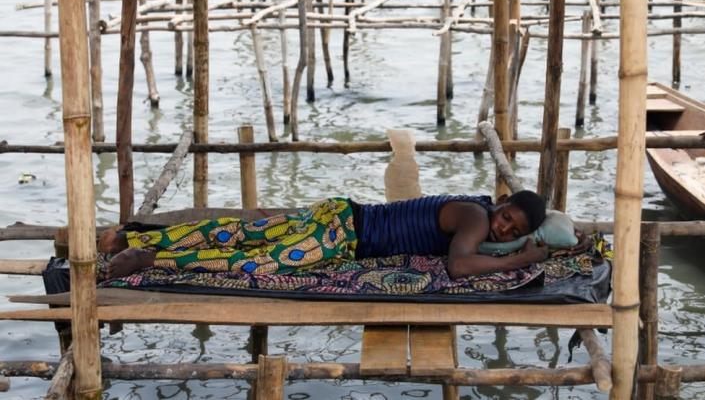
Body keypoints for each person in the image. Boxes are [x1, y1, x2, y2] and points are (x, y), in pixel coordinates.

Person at [100, 191, 549, 280]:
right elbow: (460, 264)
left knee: (237, 232)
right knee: (254, 263)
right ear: (501, 202)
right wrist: (519, 259)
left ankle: (143, 238)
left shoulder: (475, 204)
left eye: (515, 231)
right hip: (339, 236)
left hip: (336, 212)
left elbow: (483, 247)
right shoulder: (475, 216)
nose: (505, 228)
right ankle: (152, 260)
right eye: (508, 217)